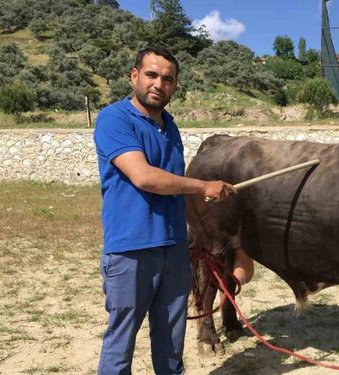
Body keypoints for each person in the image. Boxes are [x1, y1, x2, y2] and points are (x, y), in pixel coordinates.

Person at [93, 47, 236, 375]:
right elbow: (144, 176)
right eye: (151, 75)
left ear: (175, 86)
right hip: (131, 251)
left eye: (168, 79)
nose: (159, 84)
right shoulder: (114, 119)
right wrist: (202, 187)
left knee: (172, 344)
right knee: (121, 344)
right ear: (134, 76)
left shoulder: (169, 127)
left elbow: (173, 184)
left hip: (174, 249)